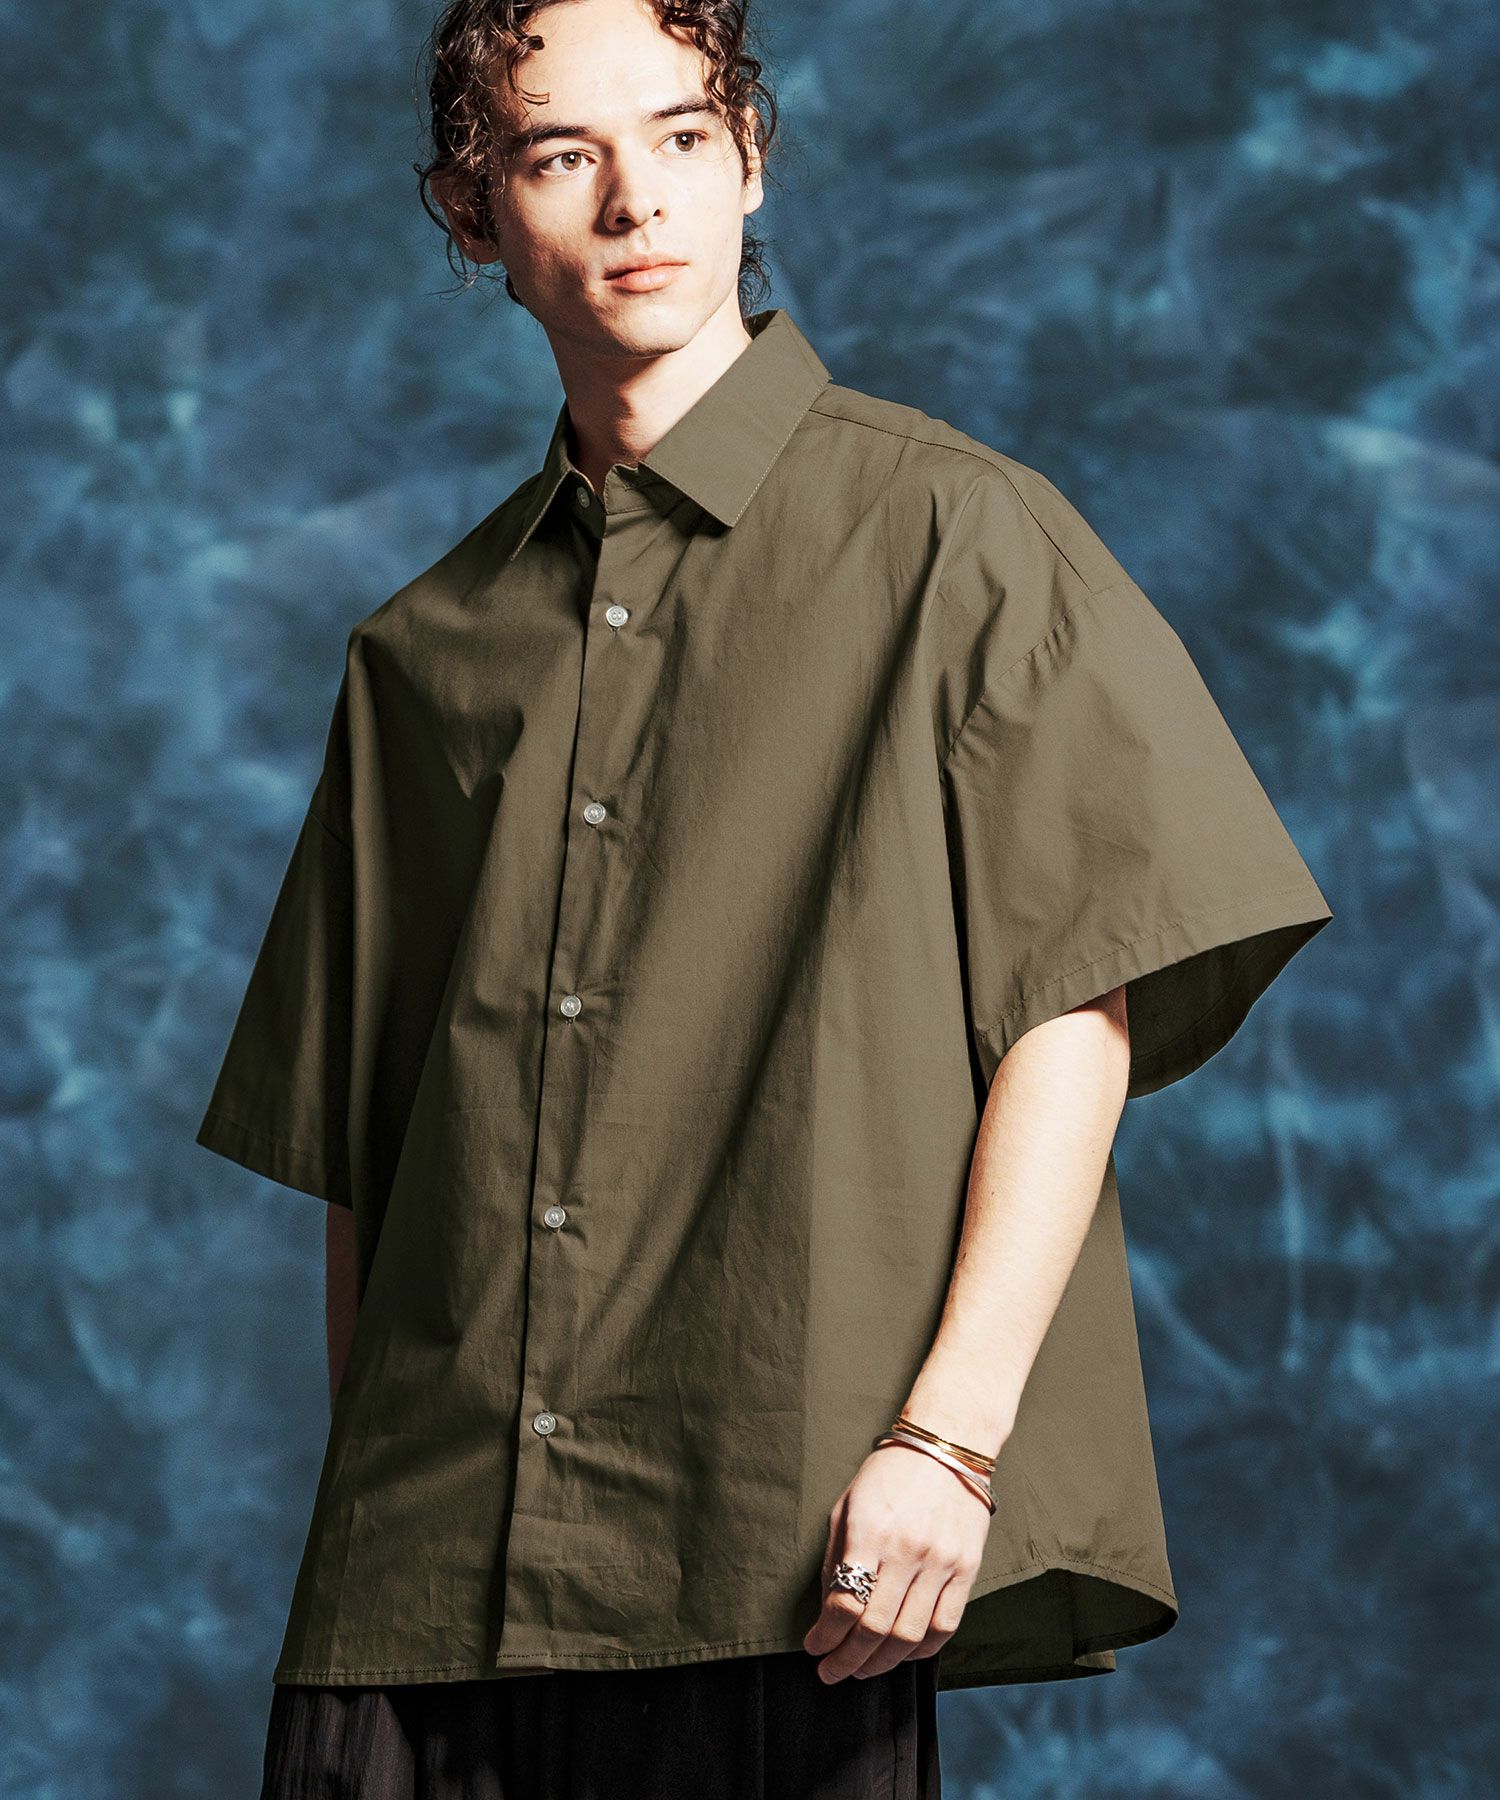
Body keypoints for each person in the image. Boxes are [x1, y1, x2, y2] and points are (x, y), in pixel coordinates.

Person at [195, 0, 1333, 1794]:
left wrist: (949, 1442)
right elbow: (375, 1154)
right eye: (561, 153)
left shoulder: (959, 536)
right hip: (417, 1587)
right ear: (475, 212)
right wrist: (374, 1534)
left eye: (680, 136)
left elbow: (1074, 1011)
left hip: (774, 1545)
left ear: (750, 161)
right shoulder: (416, 654)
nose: (635, 198)